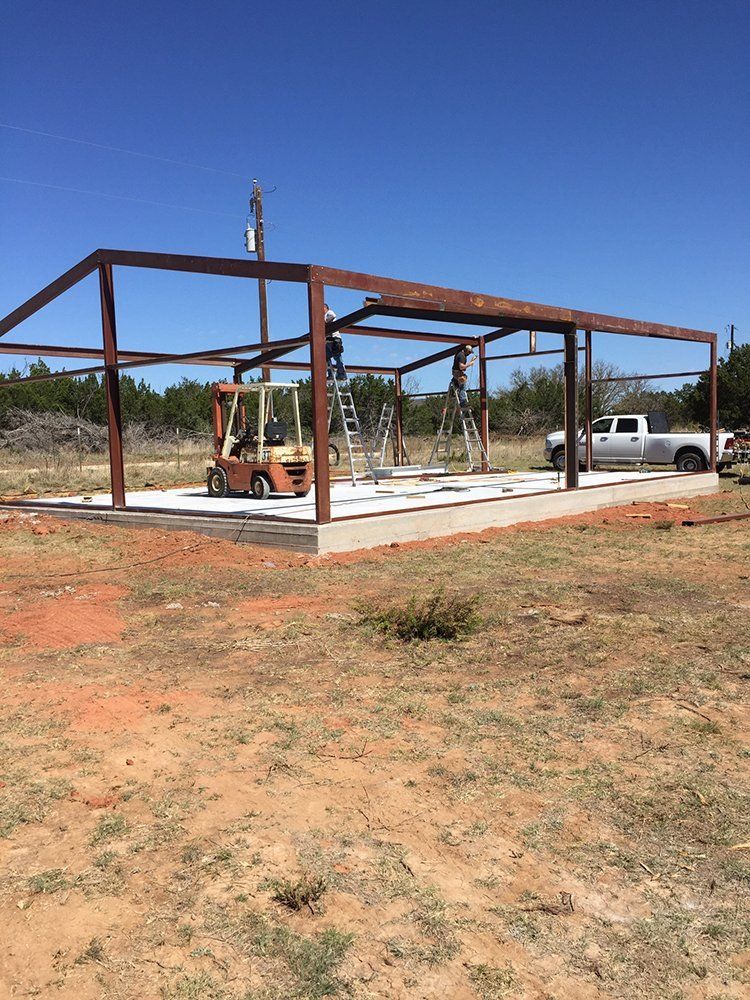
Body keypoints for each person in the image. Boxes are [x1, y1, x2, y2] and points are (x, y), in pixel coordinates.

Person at [324, 303, 347, 382]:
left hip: (334, 339)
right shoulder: (324, 315)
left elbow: (333, 315)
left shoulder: (329, 312)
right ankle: (330, 374)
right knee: (326, 357)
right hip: (328, 340)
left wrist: (324, 322)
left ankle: (341, 373)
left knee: (337, 356)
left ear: (325, 307)